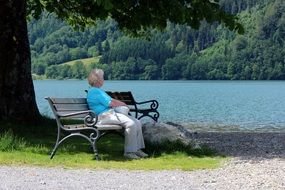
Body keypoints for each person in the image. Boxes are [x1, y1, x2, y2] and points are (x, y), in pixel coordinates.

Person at [86, 68, 148, 159]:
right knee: (131, 123)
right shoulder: (95, 91)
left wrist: (121, 104)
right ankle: (129, 152)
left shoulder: (98, 91)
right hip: (103, 117)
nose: (103, 79)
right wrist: (124, 104)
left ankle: (137, 149)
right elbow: (111, 103)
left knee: (137, 122)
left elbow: (112, 100)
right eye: (102, 77)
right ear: (97, 80)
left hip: (110, 114)